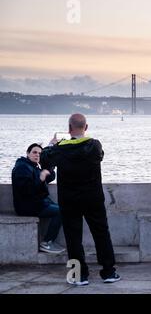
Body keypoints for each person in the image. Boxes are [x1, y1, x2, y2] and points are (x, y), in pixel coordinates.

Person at [40, 114, 120, 286]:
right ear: (86, 127)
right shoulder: (94, 145)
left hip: (70, 200)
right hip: (93, 198)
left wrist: (51, 144)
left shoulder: (59, 149)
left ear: (69, 128)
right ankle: (109, 272)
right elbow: (101, 156)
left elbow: (45, 160)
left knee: (73, 237)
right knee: (101, 233)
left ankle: (79, 275)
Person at [11, 143, 65, 254]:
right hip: (27, 206)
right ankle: (47, 242)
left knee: (65, 208)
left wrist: (49, 157)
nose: (37, 155)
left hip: (37, 203)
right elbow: (26, 191)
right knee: (61, 211)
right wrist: (40, 178)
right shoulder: (22, 167)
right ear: (27, 153)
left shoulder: (33, 167)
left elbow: (49, 176)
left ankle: (50, 241)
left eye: (40, 153)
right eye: (34, 152)